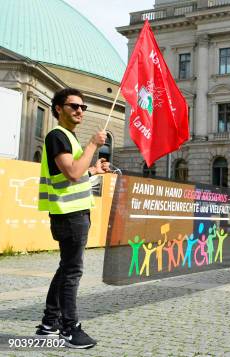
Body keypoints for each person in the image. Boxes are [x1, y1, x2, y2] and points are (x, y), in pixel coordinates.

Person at [36, 88, 110, 349]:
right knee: (72, 271)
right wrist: (93, 145)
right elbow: (71, 172)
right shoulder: (58, 136)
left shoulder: (68, 137)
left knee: (66, 268)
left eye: (83, 107)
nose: (80, 110)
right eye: (73, 106)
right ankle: (69, 330)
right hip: (69, 215)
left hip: (73, 213)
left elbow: (76, 174)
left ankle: (48, 324)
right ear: (58, 109)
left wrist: (93, 170)